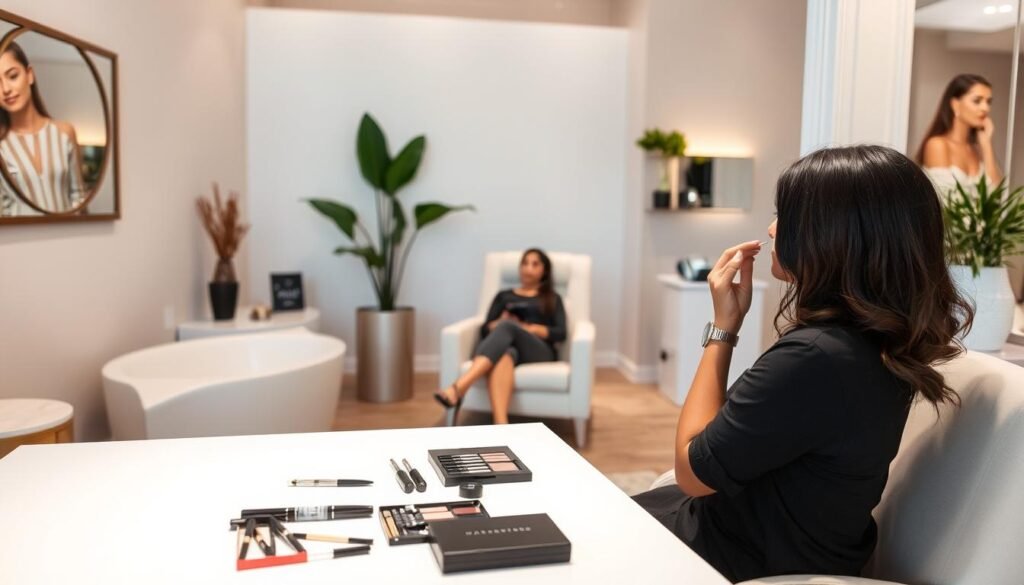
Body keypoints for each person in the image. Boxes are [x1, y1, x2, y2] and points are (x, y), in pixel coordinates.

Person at [632, 145, 973, 583]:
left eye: (787, 217)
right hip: (762, 537)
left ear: (837, 236)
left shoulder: (817, 358)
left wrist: (723, 330)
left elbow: (692, 471)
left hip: (728, 555)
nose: (773, 230)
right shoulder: (872, 343)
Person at [434, 248, 567, 424]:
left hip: (539, 350)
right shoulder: (504, 296)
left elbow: (561, 333)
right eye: (525, 263)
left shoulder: (552, 298)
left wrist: (529, 328)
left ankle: (458, 388)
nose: (528, 268)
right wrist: (495, 325)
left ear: (545, 271)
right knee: (506, 352)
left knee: (508, 327)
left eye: (535, 264)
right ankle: (501, 426)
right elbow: (484, 329)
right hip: (509, 345)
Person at [0, 41, 86, 216]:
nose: (6, 89)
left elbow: (79, 198)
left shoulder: (64, 132)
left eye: (13, 76)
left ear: (29, 75)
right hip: (19, 241)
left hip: (70, 238)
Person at [916, 73, 1002, 195]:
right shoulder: (937, 145)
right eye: (977, 101)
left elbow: (997, 196)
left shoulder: (978, 149)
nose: (985, 108)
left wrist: (987, 144)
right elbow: (946, 200)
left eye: (988, 102)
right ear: (955, 104)